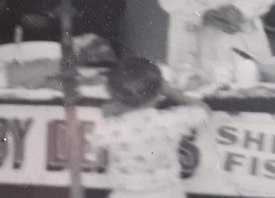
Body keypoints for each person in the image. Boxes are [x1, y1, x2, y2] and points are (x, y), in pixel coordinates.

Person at [90, 56, 210, 198]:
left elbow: (98, 163)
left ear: (111, 93)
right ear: (159, 91)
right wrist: (171, 91)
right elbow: (204, 110)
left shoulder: (106, 129)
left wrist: (113, 112)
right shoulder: (172, 120)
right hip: (168, 193)